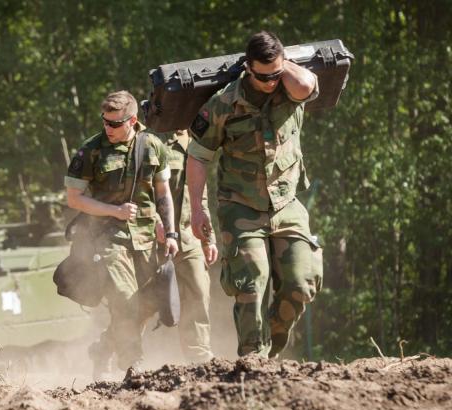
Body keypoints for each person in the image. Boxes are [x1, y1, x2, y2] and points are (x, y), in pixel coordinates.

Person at [186, 31, 323, 359]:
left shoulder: (290, 89)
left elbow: (307, 86)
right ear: (248, 68)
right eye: (263, 77)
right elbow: (198, 157)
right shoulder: (224, 103)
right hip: (240, 206)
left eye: (276, 74)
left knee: (301, 283)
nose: (271, 82)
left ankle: (272, 347)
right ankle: (253, 361)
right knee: (251, 286)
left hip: (287, 203)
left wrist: (282, 67)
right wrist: (196, 209)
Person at [65, 91, 177, 380]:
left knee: (149, 303)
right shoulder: (90, 150)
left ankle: (103, 347)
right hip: (107, 238)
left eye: (115, 124)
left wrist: (171, 230)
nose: (108, 129)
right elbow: (75, 199)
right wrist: (112, 211)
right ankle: (133, 366)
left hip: (145, 239)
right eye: (105, 122)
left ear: (133, 120)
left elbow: (163, 193)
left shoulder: (153, 146)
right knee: (125, 300)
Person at [159, 130, 219, 362]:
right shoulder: (150, 139)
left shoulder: (195, 142)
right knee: (144, 302)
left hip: (188, 235)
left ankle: (199, 358)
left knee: (198, 292)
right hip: (157, 236)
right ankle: (112, 349)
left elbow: (199, 196)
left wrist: (207, 238)